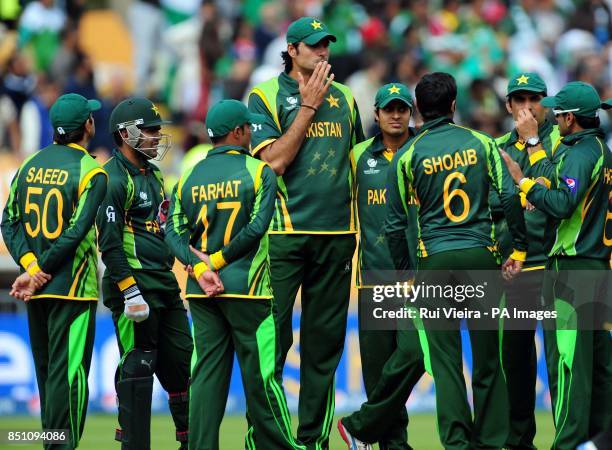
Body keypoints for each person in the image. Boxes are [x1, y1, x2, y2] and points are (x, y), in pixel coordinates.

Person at [387, 72, 527, 449]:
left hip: (433, 260)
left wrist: (405, 275)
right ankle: (491, 440)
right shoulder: (481, 143)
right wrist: (519, 249)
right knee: (488, 358)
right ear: (452, 106)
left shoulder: (406, 156)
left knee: (446, 363)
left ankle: (456, 443)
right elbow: (511, 197)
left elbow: (394, 224)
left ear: (418, 109)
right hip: (481, 256)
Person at [247, 17, 364, 449]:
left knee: (323, 350)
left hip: (337, 235)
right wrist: (308, 107)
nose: (323, 52)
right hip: (284, 234)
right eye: (314, 46)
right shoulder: (264, 96)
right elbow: (273, 163)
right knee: (273, 344)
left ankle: (313, 441)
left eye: (326, 45)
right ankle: (265, 439)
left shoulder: (347, 97)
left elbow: (357, 162)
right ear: (292, 50)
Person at [165, 99, 305, 450]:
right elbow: (258, 227)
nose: (252, 133)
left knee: (206, 378)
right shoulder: (259, 172)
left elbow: (172, 233)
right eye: (249, 128)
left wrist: (200, 267)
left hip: (202, 293)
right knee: (263, 381)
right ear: (238, 132)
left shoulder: (188, 179)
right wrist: (217, 261)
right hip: (250, 290)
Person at [502, 81, 612, 450]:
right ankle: (597, 442)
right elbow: (558, 179)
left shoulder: (582, 153)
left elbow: (561, 203)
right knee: (598, 368)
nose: (551, 116)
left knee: (569, 367)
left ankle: (567, 445)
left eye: (558, 112)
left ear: (569, 118)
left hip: (572, 270)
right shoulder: (594, 148)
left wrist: (524, 182)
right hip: (594, 268)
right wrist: (537, 160)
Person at [1, 93, 108, 449]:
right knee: (71, 375)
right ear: (87, 126)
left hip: (37, 290)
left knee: (48, 376)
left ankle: (51, 444)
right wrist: (41, 269)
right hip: (73, 288)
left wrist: (30, 267)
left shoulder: (28, 165)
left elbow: (9, 222)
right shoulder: (91, 171)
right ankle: (61, 446)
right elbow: (77, 231)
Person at [96, 97, 192, 450]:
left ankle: (188, 442)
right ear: (124, 133)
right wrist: (129, 291)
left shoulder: (153, 175)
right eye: (148, 130)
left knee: (182, 365)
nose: (155, 136)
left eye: (156, 130)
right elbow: (109, 244)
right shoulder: (111, 177)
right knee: (138, 369)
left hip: (164, 284)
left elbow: (163, 229)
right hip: (134, 286)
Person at [337, 83, 424, 450]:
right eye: (389, 109)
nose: (396, 114)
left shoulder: (424, 150)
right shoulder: (358, 155)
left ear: (411, 113)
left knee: (416, 354)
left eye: (402, 108)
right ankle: (393, 446)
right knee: (378, 375)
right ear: (376, 114)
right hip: (372, 277)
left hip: (418, 278)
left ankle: (359, 424)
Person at [493, 72, 561, 450]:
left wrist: (521, 192)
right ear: (507, 106)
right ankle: (518, 442)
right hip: (515, 270)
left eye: (532, 99)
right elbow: (488, 201)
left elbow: (560, 195)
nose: (526, 107)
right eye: (518, 100)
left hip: (553, 265)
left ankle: (570, 438)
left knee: (560, 360)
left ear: (545, 103)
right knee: (516, 361)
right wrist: (525, 197)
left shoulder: (560, 142)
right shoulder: (497, 147)